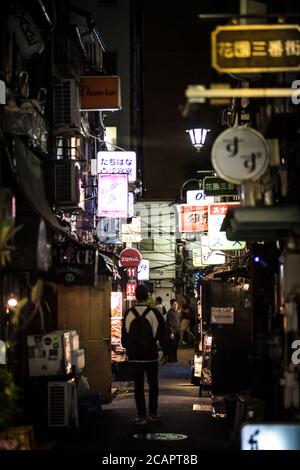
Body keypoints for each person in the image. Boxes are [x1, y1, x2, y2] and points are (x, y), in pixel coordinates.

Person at [121, 284, 168, 425]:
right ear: (147, 297)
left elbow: (124, 338)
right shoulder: (155, 313)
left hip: (135, 357)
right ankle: (153, 413)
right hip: (151, 356)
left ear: (135, 297)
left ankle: (141, 415)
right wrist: (166, 353)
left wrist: (129, 348)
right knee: (153, 384)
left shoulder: (129, 313)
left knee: (138, 386)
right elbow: (162, 335)